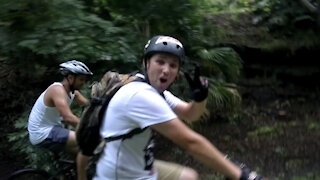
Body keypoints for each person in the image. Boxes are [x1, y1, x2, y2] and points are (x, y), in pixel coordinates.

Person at [93, 35, 266, 180]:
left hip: (138, 165)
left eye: (173, 65)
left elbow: (190, 114)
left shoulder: (155, 91)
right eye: (160, 62)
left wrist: (200, 98)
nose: (166, 70)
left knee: (188, 177)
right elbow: (191, 142)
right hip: (119, 176)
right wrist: (241, 175)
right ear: (145, 63)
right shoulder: (140, 95)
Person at [28, 60, 92, 180]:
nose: (83, 83)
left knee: (84, 153)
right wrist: (91, 127)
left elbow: (89, 106)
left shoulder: (73, 93)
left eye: (84, 80)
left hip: (53, 130)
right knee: (87, 142)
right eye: (81, 79)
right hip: (43, 133)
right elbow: (68, 117)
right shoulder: (57, 90)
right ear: (71, 78)